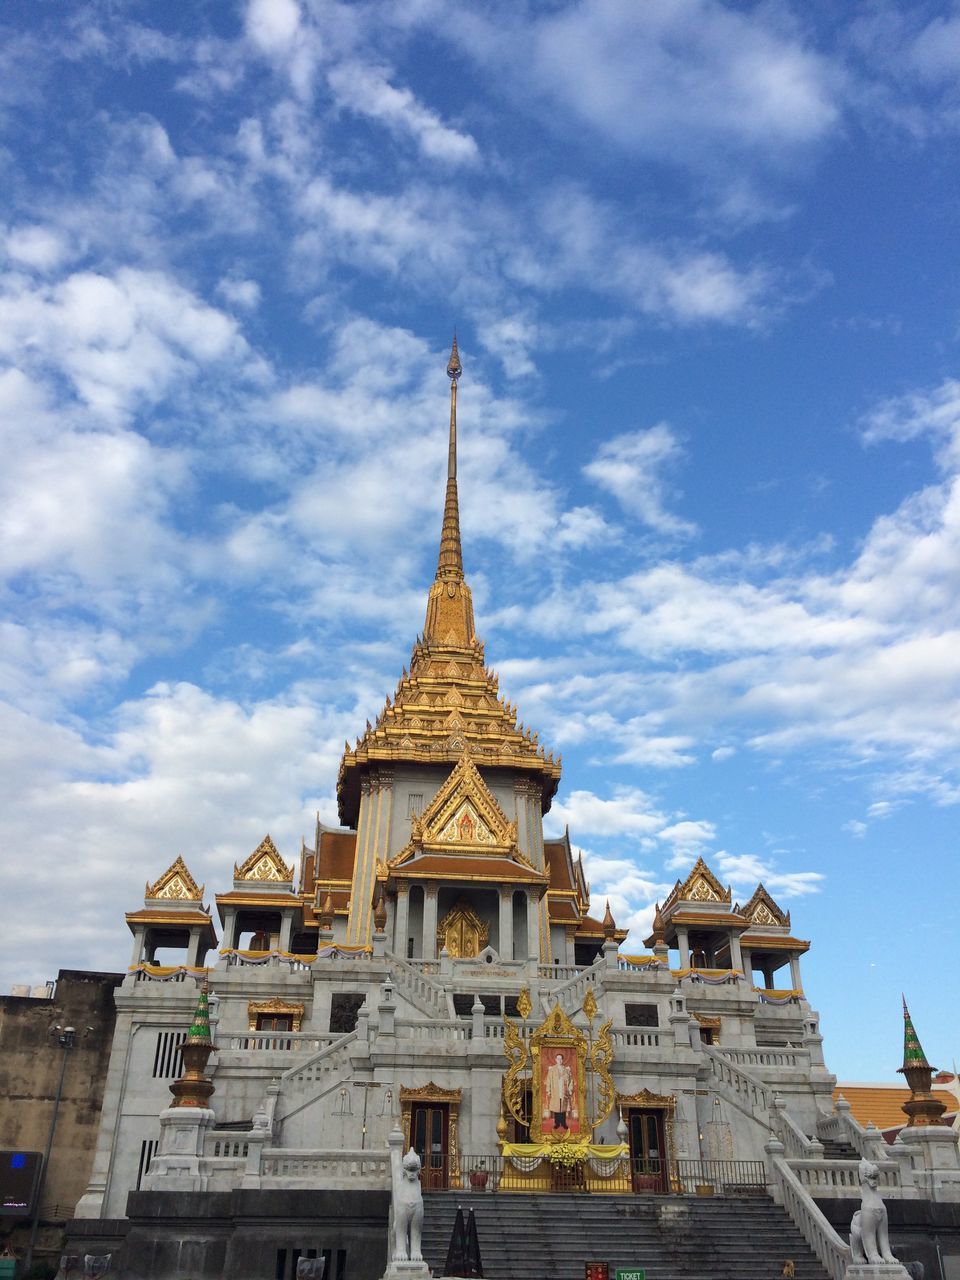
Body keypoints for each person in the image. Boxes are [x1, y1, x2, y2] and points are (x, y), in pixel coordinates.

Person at [545, 1052, 574, 1132]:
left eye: (561, 1059)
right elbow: (549, 1081)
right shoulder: (552, 1070)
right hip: (555, 1091)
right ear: (555, 1060)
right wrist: (549, 1090)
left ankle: (563, 1123)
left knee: (563, 1107)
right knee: (557, 1107)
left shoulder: (566, 1070)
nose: (559, 1060)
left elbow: (571, 1081)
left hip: (564, 1091)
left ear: (562, 1060)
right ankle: (557, 1123)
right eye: (558, 1059)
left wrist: (570, 1089)